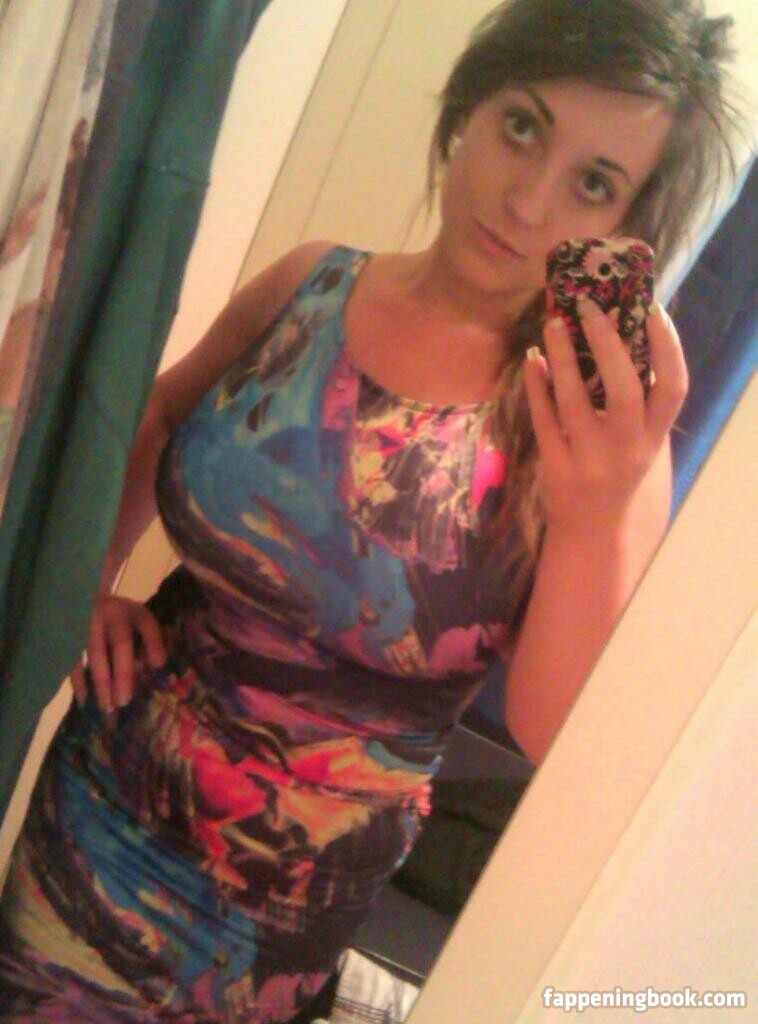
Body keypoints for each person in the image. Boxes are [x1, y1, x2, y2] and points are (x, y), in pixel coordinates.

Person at [0, 0, 740, 1020]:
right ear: (470, 106)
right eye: (523, 125)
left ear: (625, 230)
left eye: (593, 183)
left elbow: (550, 731)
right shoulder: (308, 286)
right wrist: (86, 583)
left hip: (274, 927)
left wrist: (589, 514)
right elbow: (160, 415)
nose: (527, 200)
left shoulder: (595, 439)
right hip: (93, 815)